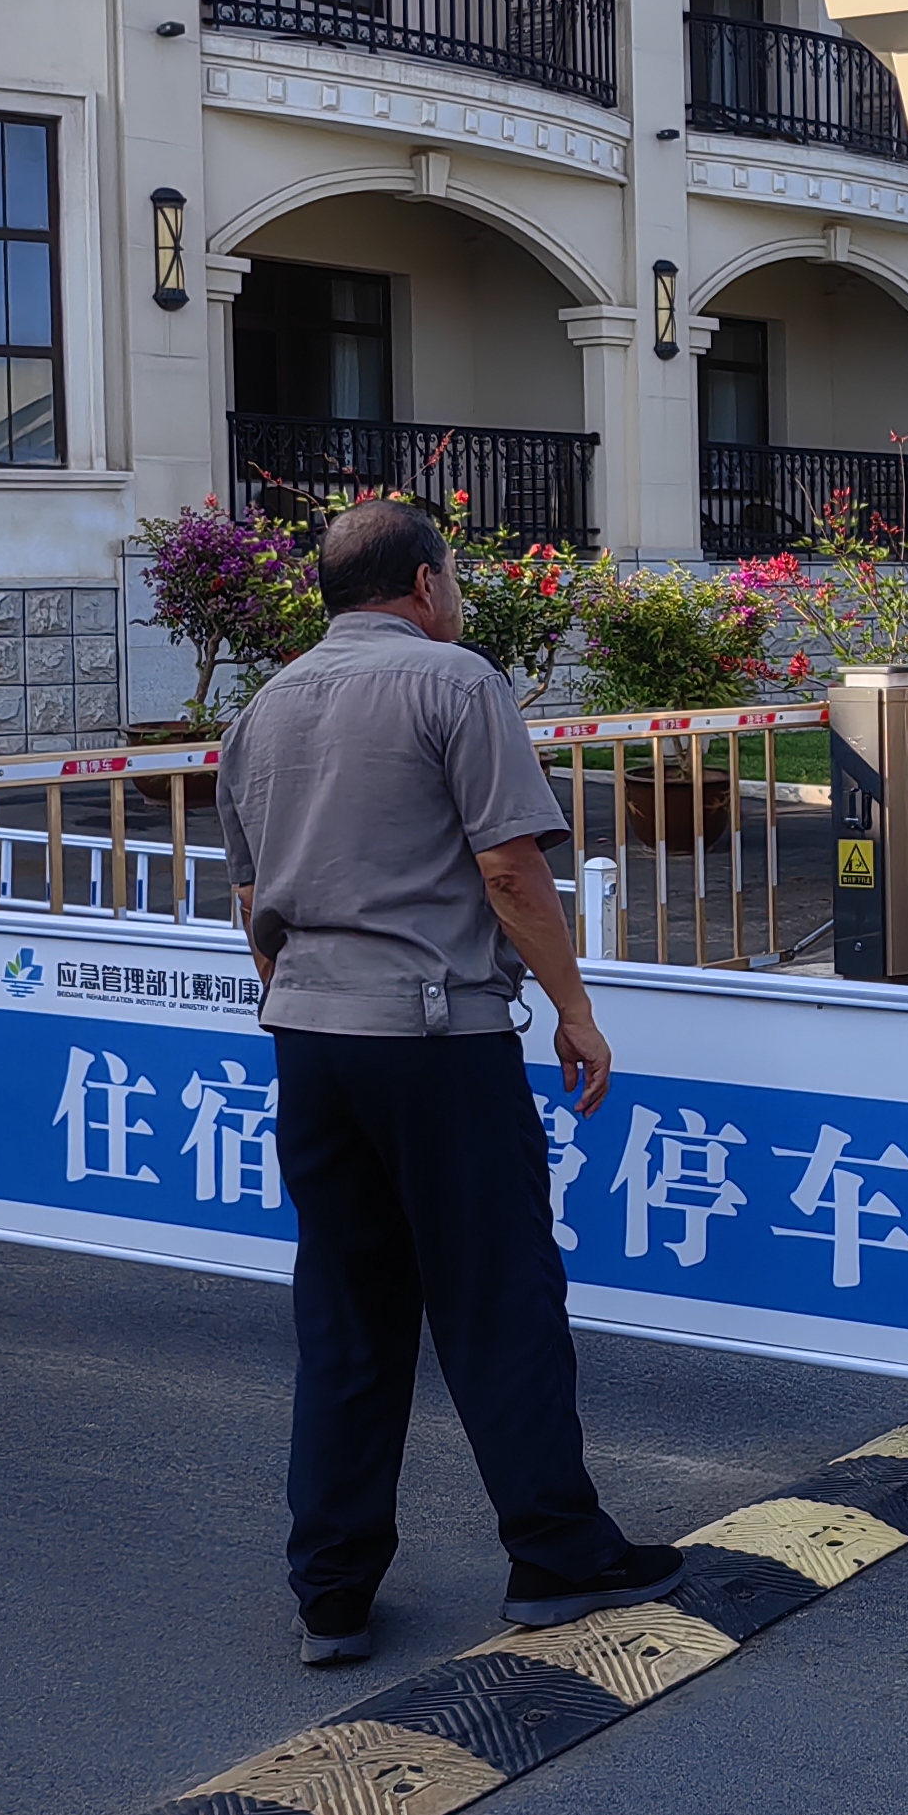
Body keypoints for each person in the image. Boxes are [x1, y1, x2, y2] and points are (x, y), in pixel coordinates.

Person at [217, 498, 683, 1666]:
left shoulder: (262, 711)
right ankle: (554, 1554)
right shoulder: (452, 680)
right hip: (435, 1036)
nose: (458, 595)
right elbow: (508, 869)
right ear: (424, 585)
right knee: (498, 1300)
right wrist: (576, 1010)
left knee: (347, 1316)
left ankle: (330, 1592)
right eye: (454, 577)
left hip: (311, 1039)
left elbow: (250, 905)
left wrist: (309, 997)